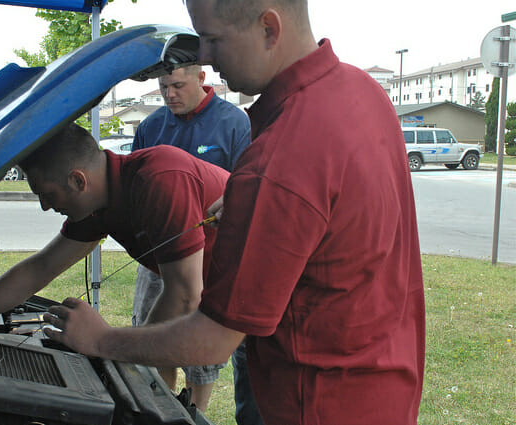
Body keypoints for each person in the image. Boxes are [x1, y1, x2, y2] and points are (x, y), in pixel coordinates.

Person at [42, 1, 426, 424]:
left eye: (212, 39)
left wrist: (102, 340)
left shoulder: (281, 160)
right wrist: (260, 203)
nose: (204, 56)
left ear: (268, 28)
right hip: (387, 383)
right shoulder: (361, 90)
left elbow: (212, 340)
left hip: (319, 403)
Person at [0, 123, 229, 388]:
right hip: (233, 295)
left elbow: (185, 295)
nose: (46, 206)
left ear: (78, 180)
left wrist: (109, 344)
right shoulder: (96, 204)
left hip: (268, 296)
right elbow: (40, 268)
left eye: (47, 194)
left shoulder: (160, 179)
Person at [132, 64, 255, 416]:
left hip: (210, 258)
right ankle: (160, 408)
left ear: (201, 78)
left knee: (200, 349)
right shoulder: (150, 126)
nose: (170, 94)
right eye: (163, 86)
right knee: (154, 335)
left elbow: (243, 189)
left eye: (178, 85)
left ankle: (195, 413)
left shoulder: (234, 123)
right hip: (157, 257)